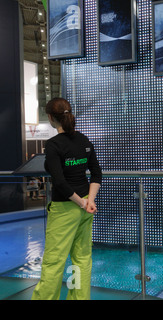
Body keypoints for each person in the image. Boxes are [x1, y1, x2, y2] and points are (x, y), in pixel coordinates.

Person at [32, 98, 102, 300]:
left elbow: (60, 183)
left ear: (52, 118)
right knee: (81, 259)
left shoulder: (53, 145)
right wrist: (89, 202)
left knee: (54, 261)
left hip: (66, 207)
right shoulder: (84, 141)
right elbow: (97, 174)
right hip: (86, 205)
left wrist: (81, 203)